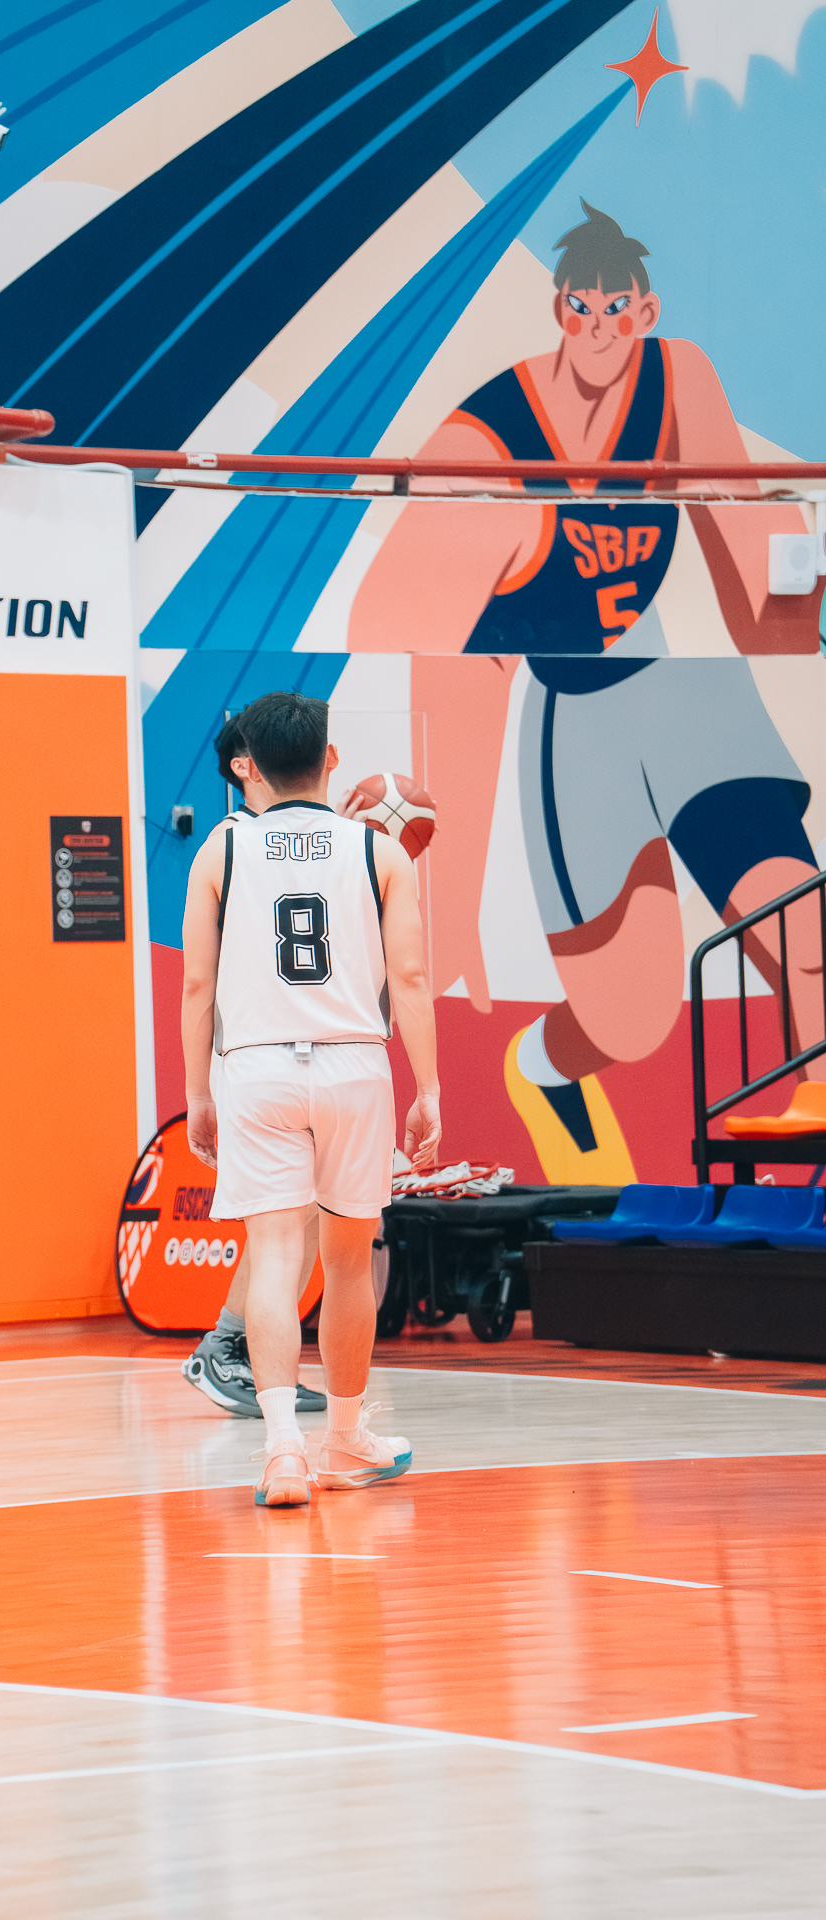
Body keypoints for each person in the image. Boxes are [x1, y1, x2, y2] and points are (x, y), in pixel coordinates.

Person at [349, 199, 824, 1182]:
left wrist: (801, 579)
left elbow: (755, 589)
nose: (599, 328)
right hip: (575, 725)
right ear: (557, 309)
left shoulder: (679, 379)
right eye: (581, 308)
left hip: (689, 696)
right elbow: (441, 669)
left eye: (617, 309)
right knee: (633, 1018)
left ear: (645, 313)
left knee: (800, 925)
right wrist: (453, 897)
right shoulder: (485, 452)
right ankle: (540, 1067)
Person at [181, 690, 441, 1507]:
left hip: (257, 1069)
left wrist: (197, 1092)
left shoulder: (221, 849)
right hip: (354, 1065)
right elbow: (410, 978)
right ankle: (348, 1439)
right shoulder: (380, 852)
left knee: (273, 1257)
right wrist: (429, 1089)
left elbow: (196, 986)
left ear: (249, 766)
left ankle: (283, 1452)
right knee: (348, 1261)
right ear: (331, 759)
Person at [182, 711, 327, 1419]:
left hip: (317, 1056)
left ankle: (239, 1348)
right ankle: (227, 1345)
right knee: (285, 1224)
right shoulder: (233, 843)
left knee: (308, 1220)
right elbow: (197, 981)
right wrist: (198, 1091)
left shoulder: (310, 841)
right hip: (261, 1057)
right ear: (245, 765)